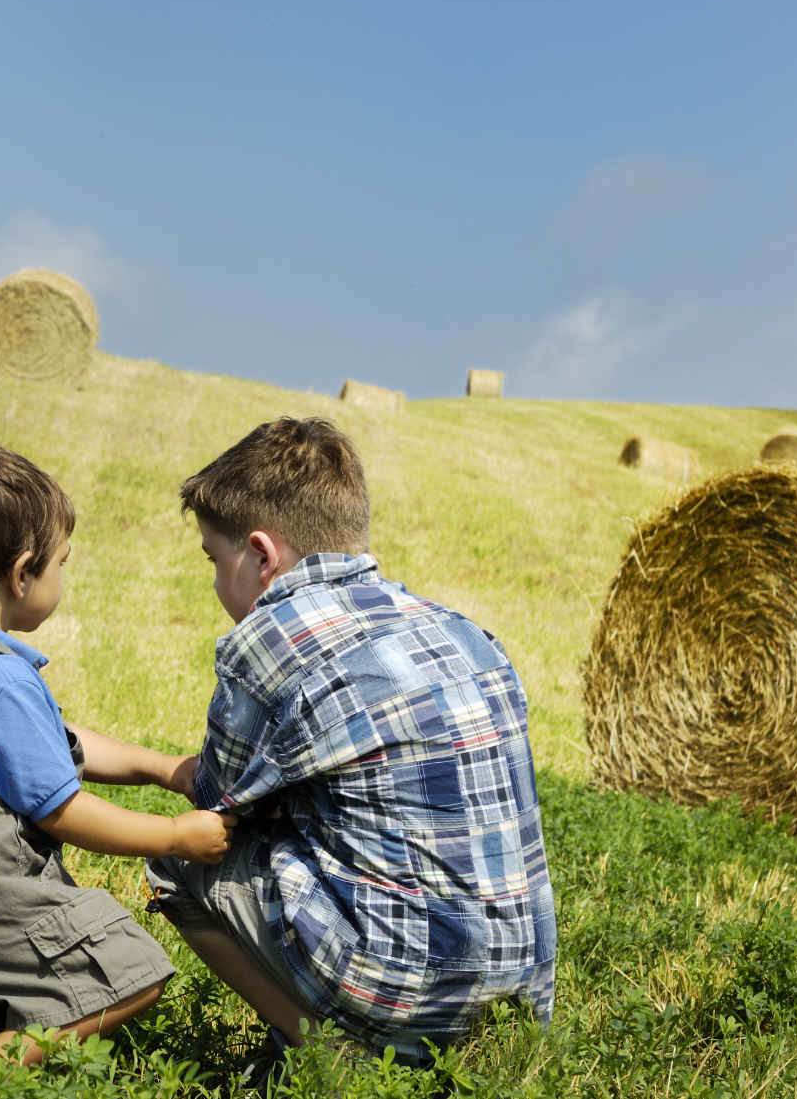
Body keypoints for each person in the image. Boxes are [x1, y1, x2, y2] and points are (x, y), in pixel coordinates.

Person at [145, 416, 557, 1070]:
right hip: (518, 1001)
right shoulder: (461, 631)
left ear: (259, 555)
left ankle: (331, 1061)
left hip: (404, 988)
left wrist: (154, 772)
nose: (216, 583)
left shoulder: (267, 639)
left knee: (177, 858)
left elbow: (215, 808)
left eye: (212, 560)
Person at [0, 442, 235, 1091]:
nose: (64, 573)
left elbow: (54, 744)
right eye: (62, 561)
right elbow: (61, 808)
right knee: (125, 968)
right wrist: (175, 835)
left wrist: (160, 767)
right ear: (23, 571)